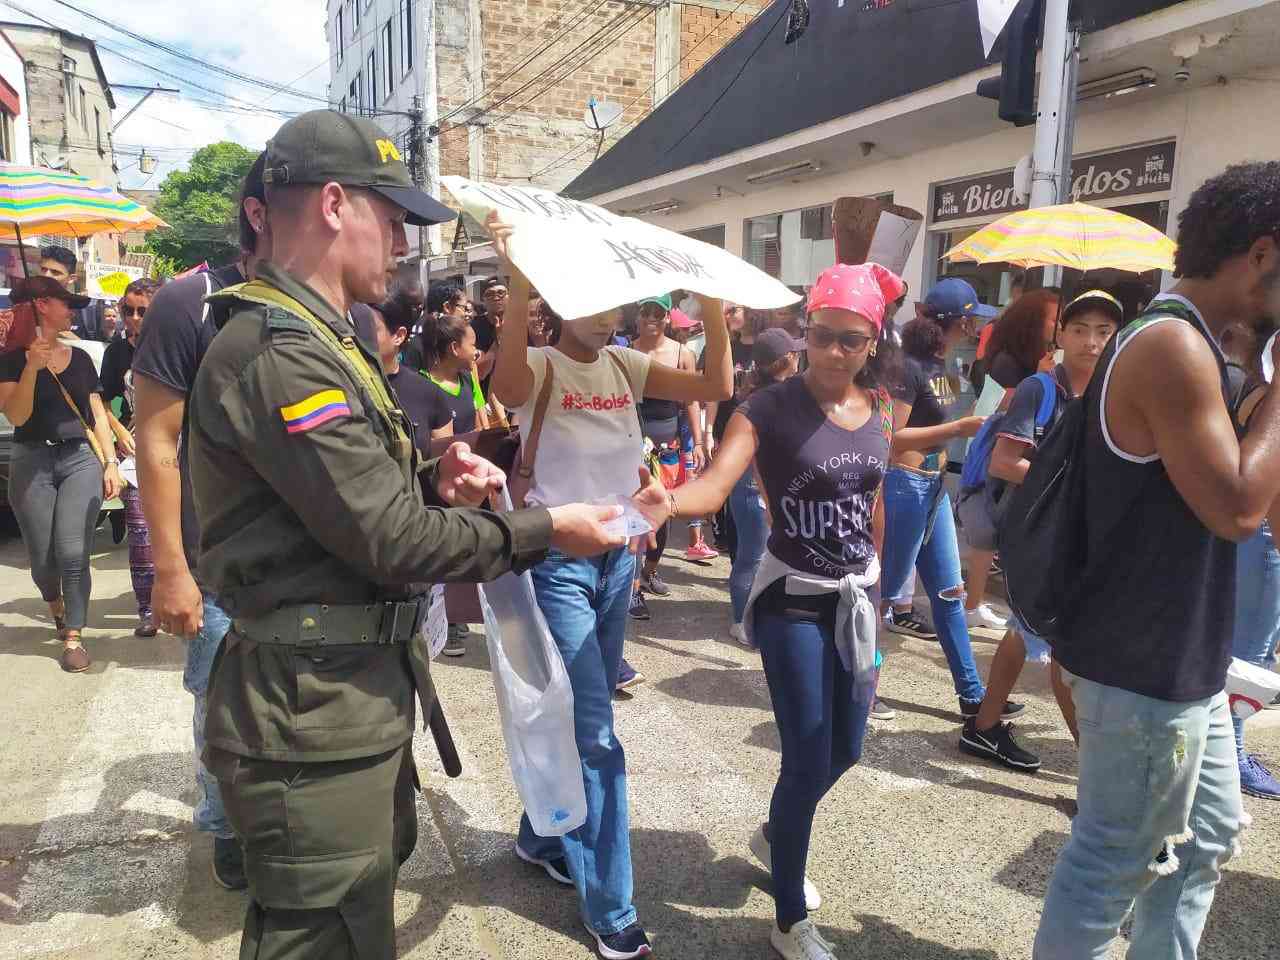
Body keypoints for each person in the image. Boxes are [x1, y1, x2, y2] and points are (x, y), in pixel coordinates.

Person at [188, 110, 634, 960]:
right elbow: (388, 540)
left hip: (344, 691)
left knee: (356, 914)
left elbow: (335, 501)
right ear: (332, 205)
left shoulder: (328, 339)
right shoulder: (284, 353)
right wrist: (543, 530)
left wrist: (435, 480)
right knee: (321, 934)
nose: (401, 243)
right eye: (390, 218)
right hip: (310, 707)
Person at [1033, 162, 1280, 960]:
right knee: (1113, 858)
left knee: (1205, 838)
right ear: (1262, 253)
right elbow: (1237, 510)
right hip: (1140, 669)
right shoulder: (1170, 344)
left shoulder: (1206, 347)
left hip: (1184, 660)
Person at [489, 213, 731, 960]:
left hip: (618, 559)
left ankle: (541, 836)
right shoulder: (539, 367)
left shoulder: (626, 365)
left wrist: (711, 303)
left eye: (613, 303)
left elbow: (716, 384)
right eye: (590, 301)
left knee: (576, 712)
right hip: (557, 561)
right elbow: (504, 383)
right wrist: (518, 277)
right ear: (561, 304)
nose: (606, 315)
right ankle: (613, 907)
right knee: (595, 731)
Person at [666, 262, 903, 960]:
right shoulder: (767, 408)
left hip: (856, 602)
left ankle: (776, 832)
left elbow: (872, 504)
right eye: (822, 335)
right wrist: (667, 502)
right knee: (805, 756)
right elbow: (715, 486)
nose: (834, 351)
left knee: (847, 748)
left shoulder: (881, 408)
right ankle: (789, 920)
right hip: (793, 604)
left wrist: (882, 589)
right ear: (805, 332)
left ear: (871, 342)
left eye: (851, 340)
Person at [133, 152, 269, 890]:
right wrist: (170, 570)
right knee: (220, 705)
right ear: (260, 215)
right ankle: (224, 823)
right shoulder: (190, 303)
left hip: (307, 562)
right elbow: (156, 440)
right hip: (215, 563)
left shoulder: (335, 307)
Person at [958, 289, 1120, 772]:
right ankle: (1095, 770)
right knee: (1060, 643)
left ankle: (984, 726)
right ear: (1060, 335)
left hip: (1078, 537)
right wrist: (1073, 484)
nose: (1092, 342)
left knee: (1026, 629)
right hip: (1038, 535)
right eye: (1080, 330)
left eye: (1104, 331)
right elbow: (1005, 463)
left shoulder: (1111, 393)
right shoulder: (1040, 389)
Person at [879, 280, 1008, 726]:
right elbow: (892, 438)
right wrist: (958, 429)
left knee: (951, 594)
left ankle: (973, 696)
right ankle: (860, 685)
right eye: (973, 321)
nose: (977, 329)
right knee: (882, 596)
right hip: (905, 486)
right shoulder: (908, 368)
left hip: (932, 489)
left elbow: (955, 414)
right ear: (960, 323)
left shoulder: (945, 366)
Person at [0, 276, 121, 673]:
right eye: (66, 303)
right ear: (42, 305)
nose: (73, 311)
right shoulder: (11, 359)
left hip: (78, 459)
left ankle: (74, 636)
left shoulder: (81, 358)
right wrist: (32, 368)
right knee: (42, 563)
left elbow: (96, 413)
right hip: (31, 459)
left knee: (73, 553)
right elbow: (17, 416)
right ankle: (56, 606)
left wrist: (110, 461)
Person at [959, 288, 1060, 632]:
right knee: (989, 533)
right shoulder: (1009, 362)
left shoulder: (1033, 358)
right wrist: (1041, 379)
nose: (1058, 326)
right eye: (1053, 319)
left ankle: (983, 603)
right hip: (997, 459)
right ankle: (973, 603)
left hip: (1017, 458)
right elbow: (995, 407)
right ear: (1034, 321)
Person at [1224, 322, 1280, 799]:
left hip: (1260, 536)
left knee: (1250, 648)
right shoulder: (1265, 400)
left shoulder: (1254, 391)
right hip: (1265, 537)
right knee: (1250, 655)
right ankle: (1232, 755)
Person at [725, 328, 802, 648]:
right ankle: (741, 621)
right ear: (787, 359)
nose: (799, 358)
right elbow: (758, 455)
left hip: (766, 489)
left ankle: (757, 615)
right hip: (753, 490)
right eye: (795, 353)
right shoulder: (762, 402)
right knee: (751, 558)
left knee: (764, 558)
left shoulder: (784, 395)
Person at [630, 293, 704, 620]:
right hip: (632, 448)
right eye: (645, 311)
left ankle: (650, 570)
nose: (651, 318)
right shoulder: (625, 351)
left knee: (663, 515)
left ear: (667, 318)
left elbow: (692, 400)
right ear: (637, 316)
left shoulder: (682, 354)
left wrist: (698, 442)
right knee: (635, 515)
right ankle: (632, 587)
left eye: (657, 313)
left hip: (668, 449)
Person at [101, 278, 163, 637]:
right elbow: (101, 399)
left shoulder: (175, 345)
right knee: (140, 533)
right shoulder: (116, 353)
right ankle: (147, 609)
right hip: (135, 454)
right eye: (128, 310)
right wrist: (119, 430)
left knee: (185, 531)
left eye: (142, 311)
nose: (133, 318)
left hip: (178, 451)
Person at [422, 307, 489, 433]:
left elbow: (480, 427)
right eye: (472, 345)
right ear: (454, 348)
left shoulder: (468, 378)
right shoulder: (424, 385)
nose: (476, 352)